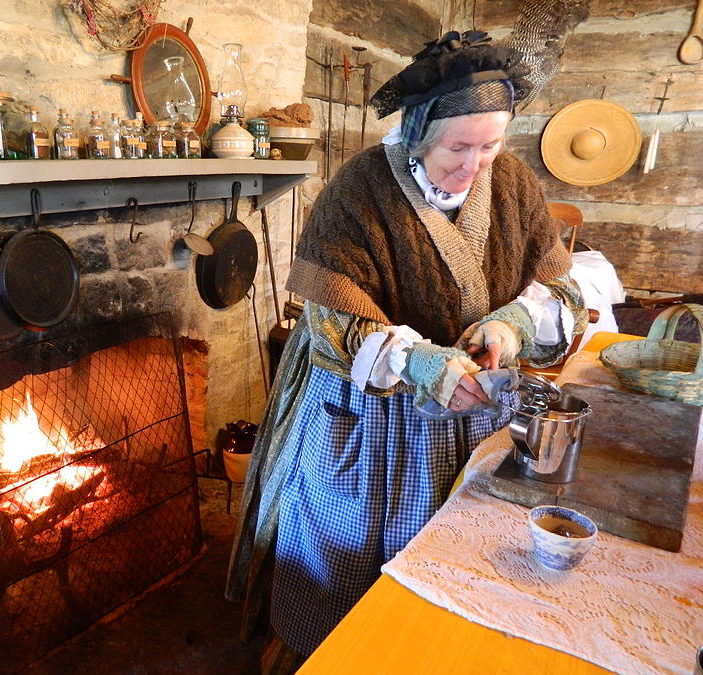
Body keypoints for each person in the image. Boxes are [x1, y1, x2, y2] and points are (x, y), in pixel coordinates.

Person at [226, 31, 588, 670]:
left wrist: (509, 327)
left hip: (475, 405)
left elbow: (558, 290)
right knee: (345, 556)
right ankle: (332, 654)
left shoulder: (515, 186)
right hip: (369, 413)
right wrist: (422, 362)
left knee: (457, 564)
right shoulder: (361, 187)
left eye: (491, 145)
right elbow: (332, 318)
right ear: (420, 134)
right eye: (459, 147)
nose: (476, 165)